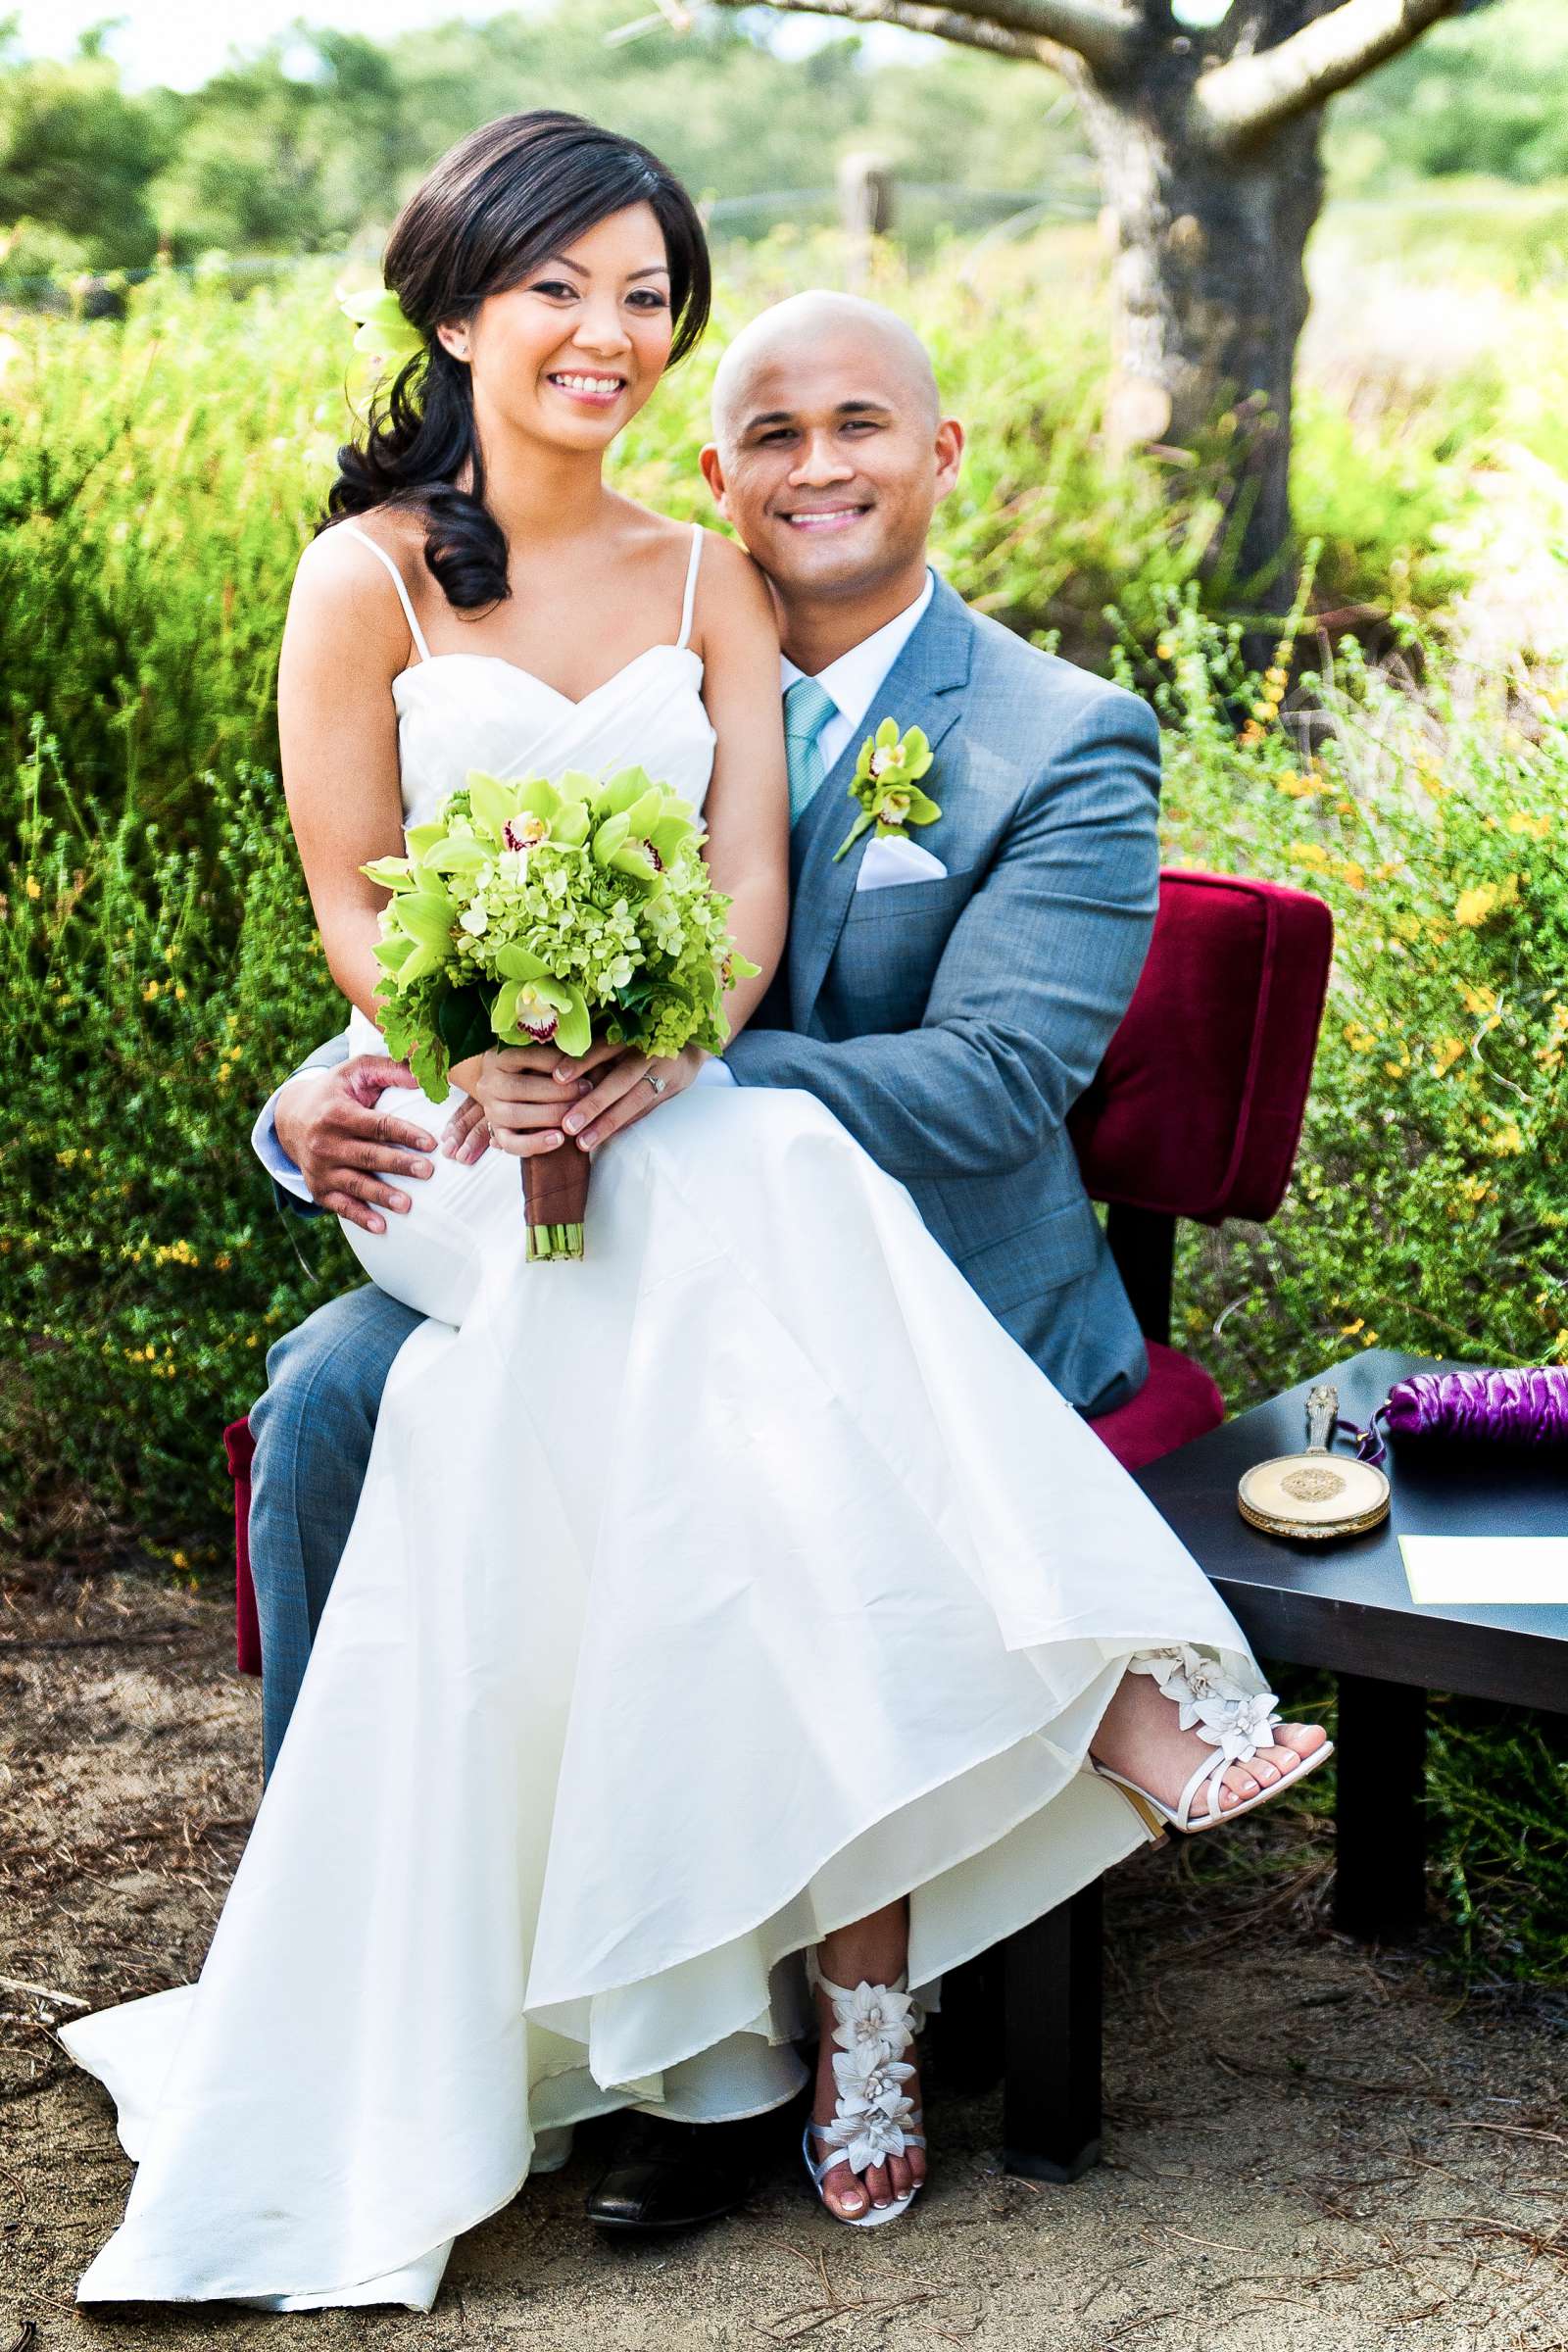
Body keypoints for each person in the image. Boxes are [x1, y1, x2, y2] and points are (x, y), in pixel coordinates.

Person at [61, 113, 1328, 2309]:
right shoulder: (358, 576)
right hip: (483, 1137)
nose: (608, 333)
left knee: (726, 1225)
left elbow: (782, 943)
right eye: (564, 288)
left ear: (933, 451)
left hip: (740, 1168)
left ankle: (754, 2031)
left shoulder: (822, 634)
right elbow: (356, 899)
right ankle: (1067, 1736)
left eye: (646, 294)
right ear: (457, 305)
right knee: (642, 1251)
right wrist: (454, 1053)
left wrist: (664, 1053)